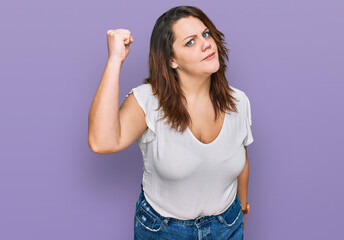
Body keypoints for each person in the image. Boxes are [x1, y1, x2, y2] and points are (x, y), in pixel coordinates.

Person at [88, 5, 254, 240]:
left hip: (227, 227)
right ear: (172, 60)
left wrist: (243, 209)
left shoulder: (239, 101)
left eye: (206, 34)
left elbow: (241, 159)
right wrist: (115, 60)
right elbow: (101, 142)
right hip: (164, 231)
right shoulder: (148, 101)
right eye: (190, 42)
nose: (206, 43)